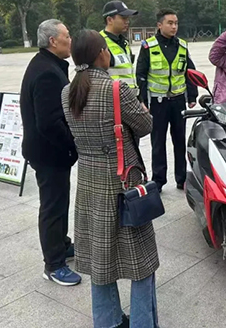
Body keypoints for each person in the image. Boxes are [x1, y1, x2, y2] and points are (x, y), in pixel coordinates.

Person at [62, 29, 159, 328]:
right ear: (101, 53)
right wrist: (142, 111)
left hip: (89, 182)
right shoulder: (116, 89)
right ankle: (144, 323)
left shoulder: (67, 92)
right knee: (141, 261)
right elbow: (145, 126)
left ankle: (108, 322)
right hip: (122, 183)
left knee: (100, 261)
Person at [20, 19, 81, 286]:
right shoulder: (46, 72)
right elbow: (49, 122)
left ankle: (62, 244)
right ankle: (53, 264)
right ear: (53, 41)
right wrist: (73, 143)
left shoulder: (50, 65)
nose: (71, 40)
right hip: (48, 153)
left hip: (51, 152)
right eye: (67, 36)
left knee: (59, 202)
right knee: (53, 207)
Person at [136, 9, 198, 192]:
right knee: (158, 141)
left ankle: (181, 178)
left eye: (176, 23)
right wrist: (142, 100)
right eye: (170, 23)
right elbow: (141, 74)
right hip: (158, 102)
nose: (174, 26)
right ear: (159, 25)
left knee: (180, 140)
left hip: (178, 101)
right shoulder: (149, 46)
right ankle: (158, 180)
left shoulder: (182, 46)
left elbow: (190, 72)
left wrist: (192, 96)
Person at [100, 0, 139, 95]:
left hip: (130, 99)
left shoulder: (124, 42)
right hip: (113, 100)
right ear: (109, 20)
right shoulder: (99, 42)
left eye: (128, 18)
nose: (127, 21)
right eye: (123, 18)